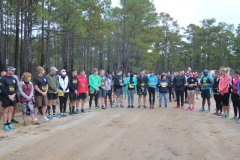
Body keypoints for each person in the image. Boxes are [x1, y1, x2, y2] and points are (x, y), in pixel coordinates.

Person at [1, 66, 18, 131]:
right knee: (5, 110)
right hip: (5, 97)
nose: (13, 72)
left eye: (14, 71)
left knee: (11, 110)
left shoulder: (14, 79)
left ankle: (9, 123)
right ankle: (5, 124)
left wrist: (13, 95)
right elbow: (2, 88)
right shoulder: (3, 78)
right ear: (8, 70)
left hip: (13, 97)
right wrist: (8, 96)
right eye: (12, 70)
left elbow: (16, 88)